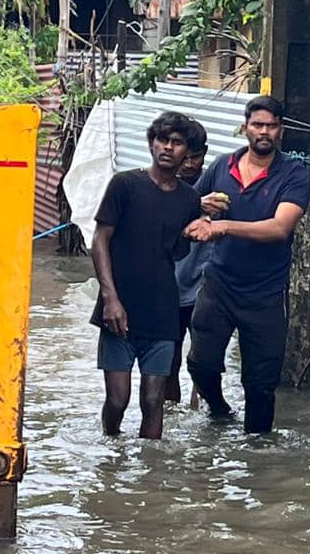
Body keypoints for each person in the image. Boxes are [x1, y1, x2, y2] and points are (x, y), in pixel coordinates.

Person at [185, 95, 310, 433]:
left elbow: (279, 228)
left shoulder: (294, 174)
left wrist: (222, 227)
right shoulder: (221, 167)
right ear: (246, 128)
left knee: (260, 383)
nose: (264, 131)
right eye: (257, 125)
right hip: (219, 284)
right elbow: (188, 209)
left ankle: (258, 460)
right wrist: (200, 206)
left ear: (280, 130)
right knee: (201, 363)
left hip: (266, 293)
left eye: (271, 125)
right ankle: (220, 409)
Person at [89, 112, 202, 438]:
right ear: (152, 143)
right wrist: (110, 298)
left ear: (187, 151)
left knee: (154, 401)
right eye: (162, 139)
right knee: (117, 400)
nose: (168, 147)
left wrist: (192, 233)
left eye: (177, 142)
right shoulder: (125, 185)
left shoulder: (189, 199)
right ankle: (110, 453)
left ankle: (151, 474)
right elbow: (100, 241)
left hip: (163, 312)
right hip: (119, 310)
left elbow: (176, 253)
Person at [166, 117, 209, 405]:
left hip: (206, 290)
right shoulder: (160, 187)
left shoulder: (218, 184)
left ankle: (200, 418)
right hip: (168, 289)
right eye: (186, 156)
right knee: (168, 364)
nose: (190, 163)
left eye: (197, 157)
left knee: (203, 363)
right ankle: (168, 416)